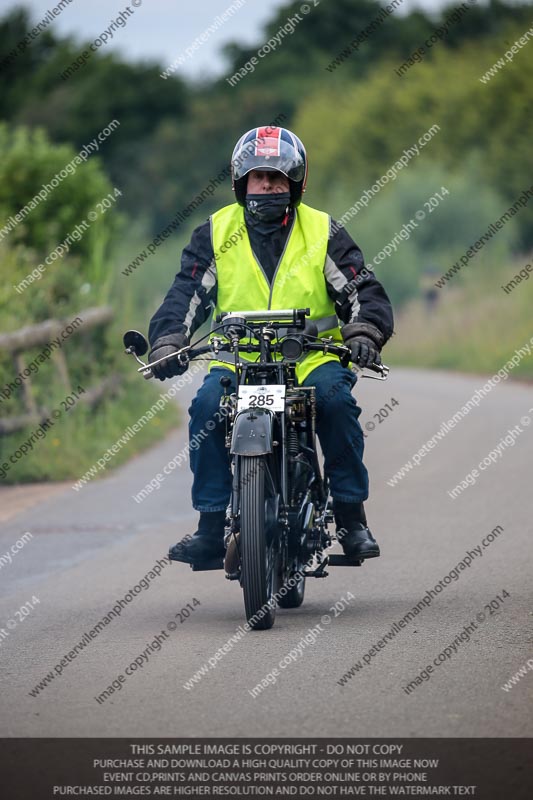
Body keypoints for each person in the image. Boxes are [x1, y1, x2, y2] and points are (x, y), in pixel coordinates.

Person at [148, 125, 394, 565]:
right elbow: (184, 295)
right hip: (236, 360)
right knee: (205, 407)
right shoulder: (215, 232)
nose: (268, 186)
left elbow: (363, 291)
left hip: (311, 358)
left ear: (295, 184)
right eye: (259, 177)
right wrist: (168, 340)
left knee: (337, 403)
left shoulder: (323, 230)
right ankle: (209, 529)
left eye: (278, 179)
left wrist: (363, 333)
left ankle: (353, 518)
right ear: (242, 183)